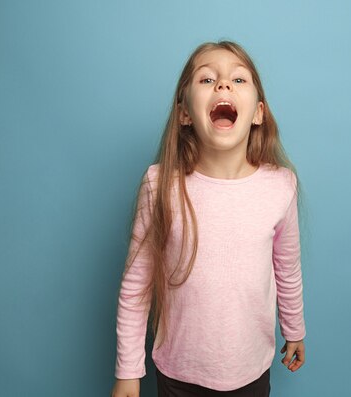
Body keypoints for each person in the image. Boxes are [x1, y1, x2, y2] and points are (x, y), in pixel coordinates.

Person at [111, 40, 306, 397]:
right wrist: (128, 370)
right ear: (184, 112)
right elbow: (136, 287)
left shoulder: (281, 186)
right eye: (206, 80)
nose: (223, 85)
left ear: (258, 113)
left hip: (251, 371)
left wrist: (294, 329)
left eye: (238, 79)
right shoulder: (159, 184)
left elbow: (287, 269)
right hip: (178, 375)